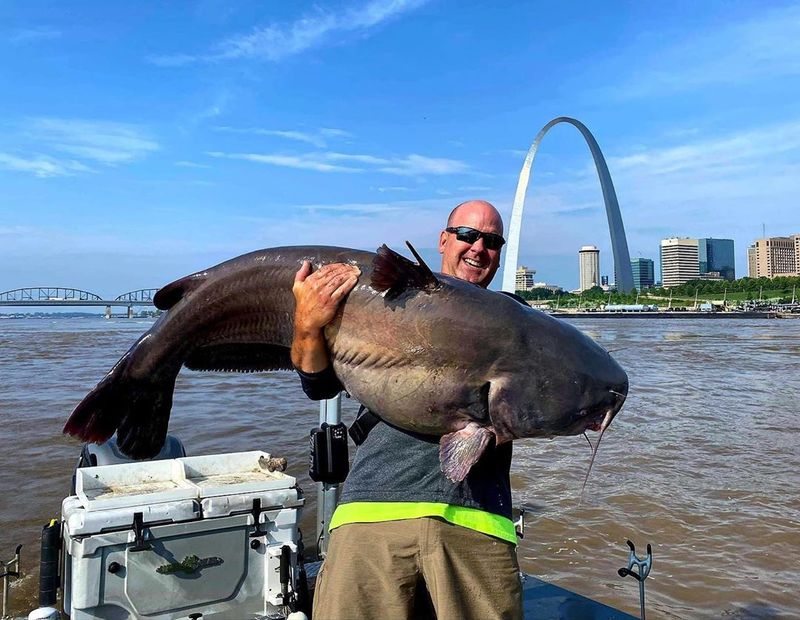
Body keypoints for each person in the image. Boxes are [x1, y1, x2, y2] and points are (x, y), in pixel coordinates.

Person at [291, 200, 522, 620]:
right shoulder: (382, 303)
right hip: (372, 510)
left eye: (492, 240)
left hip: (476, 519)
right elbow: (319, 385)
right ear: (443, 240)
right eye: (468, 235)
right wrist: (307, 324)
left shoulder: (515, 321)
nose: (478, 248)